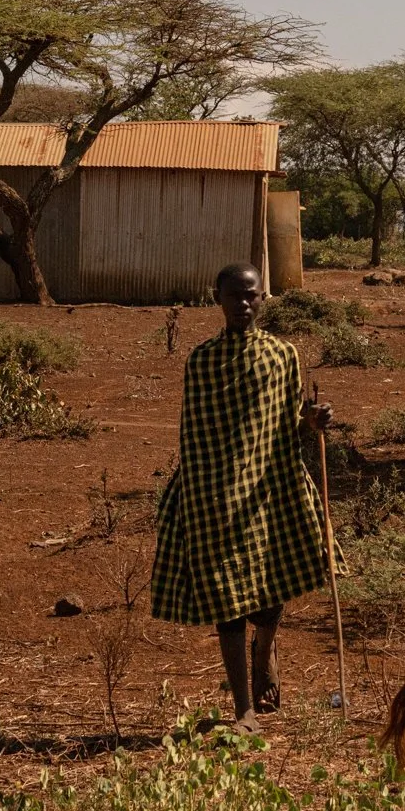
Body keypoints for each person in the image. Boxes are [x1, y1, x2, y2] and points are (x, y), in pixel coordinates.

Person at [149, 260, 334, 729]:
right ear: (218, 300)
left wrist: (312, 419)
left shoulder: (282, 355)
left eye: (252, 294)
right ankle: (243, 709)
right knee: (227, 604)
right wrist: (195, 496)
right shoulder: (202, 362)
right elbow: (194, 436)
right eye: (234, 295)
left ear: (263, 297)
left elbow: (291, 415)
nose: (244, 304)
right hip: (216, 495)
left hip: (271, 488)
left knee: (273, 590)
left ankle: (264, 652)